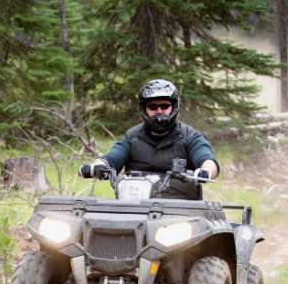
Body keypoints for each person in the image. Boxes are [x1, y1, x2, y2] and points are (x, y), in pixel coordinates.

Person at [79, 79, 219, 200]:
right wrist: (97, 166)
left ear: (173, 107)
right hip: (136, 209)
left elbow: (208, 160)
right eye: (153, 106)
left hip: (180, 212)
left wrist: (205, 171)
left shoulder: (190, 136)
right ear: (144, 109)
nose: (159, 111)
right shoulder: (132, 137)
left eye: (164, 106)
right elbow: (111, 158)